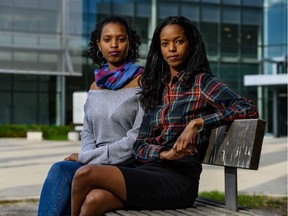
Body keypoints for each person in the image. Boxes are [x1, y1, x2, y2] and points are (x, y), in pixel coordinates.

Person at [71, 16, 259, 216]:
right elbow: (139, 146)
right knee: (94, 200)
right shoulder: (156, 88)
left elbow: (247, 107)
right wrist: (164, 154)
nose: (172, 49)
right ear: (159, 48)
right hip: (148, 170)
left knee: (85, 174)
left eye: (179, 41)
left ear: (191, 44)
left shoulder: (201, 82)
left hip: (179, 180)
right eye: (165, 43)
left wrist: (198, 123)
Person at [37, 15, 144, 216]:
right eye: (107, 39)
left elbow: (134, 141)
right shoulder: (95, 86)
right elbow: (87, 132)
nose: (114, 45)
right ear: (99, 44)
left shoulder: (142, 83)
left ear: (130, 42)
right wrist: (89, 157)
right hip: (94, 163)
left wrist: (87, 158)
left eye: (121, 39)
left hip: (127, 165)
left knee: (70, 176)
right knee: (60, 170)